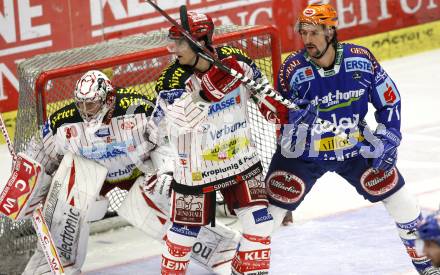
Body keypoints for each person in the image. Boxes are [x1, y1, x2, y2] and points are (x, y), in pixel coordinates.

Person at [4, 70, 239, 274]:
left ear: (108, 99)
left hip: (138, 171)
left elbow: (166, 140)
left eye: (92, 104)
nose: (85, 111)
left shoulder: (138, 110)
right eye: (81, 104)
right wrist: (26, 189)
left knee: (162, 194)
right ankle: (52, 267)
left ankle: (222, 252)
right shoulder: (62, 124)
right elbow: (40, 155)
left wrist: (167, 173)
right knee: (67, 199)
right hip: (93, 178)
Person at [265, 3, 439, 274]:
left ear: (330, 31)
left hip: (355, 148)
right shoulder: (293, 70)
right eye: (303, 33)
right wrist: (296, 124)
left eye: (314, 33)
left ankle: (430, 268)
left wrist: (389, 137)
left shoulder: (360, 60)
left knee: (405, 204)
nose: (307, 40)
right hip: (305, 155)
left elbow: (389, 100)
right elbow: (278, 118)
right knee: (264, 224)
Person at [151, 11, 286, 275]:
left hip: (241, 161)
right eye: (173, 41)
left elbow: (267, 101)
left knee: (260, 224)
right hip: (195, 172)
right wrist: (207, 92)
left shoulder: (237, 64)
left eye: (180, 42)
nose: (174, 48)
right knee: (182, 239)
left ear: (200, 41)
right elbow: (173, 125)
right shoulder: (172, 80)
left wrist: (287, 114)